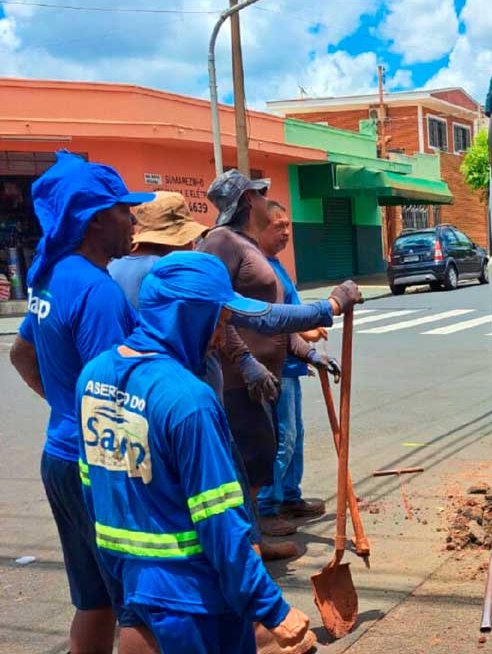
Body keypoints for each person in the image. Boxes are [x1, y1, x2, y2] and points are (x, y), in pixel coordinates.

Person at [76, 252, 315, 654]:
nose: (223, 335)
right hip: (196, 604)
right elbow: (220, 519)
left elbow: (94, 490)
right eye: (220, 320)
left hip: (134, 588)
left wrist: (121, 583)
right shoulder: (189, 401)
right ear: (188, 317)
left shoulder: (94, 377)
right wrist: (272, 609)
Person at [8, 151, 154, 654]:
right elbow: (117, 394)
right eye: (122, 210)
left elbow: (21, 353)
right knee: (140, 600)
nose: (131, 218)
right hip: (101, 466)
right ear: (94, 221)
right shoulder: (97, 291)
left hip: (61, 456)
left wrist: (65, 409)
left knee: (94, 600)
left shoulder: (53, 276)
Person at [198, 170, 344, 542]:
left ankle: (255, 540)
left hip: (264, 378)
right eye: (262, 195)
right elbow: (218, 310)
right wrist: (245, 362)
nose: (267, 201)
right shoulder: (222, 243)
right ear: (248, 201)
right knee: (248, 462)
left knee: (262, 455)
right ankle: (251, 541)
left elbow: (275, 319)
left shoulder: (247, 246)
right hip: (236, 380)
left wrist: (309, 354)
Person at [257, 200, 326, 531]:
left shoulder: (277, 265)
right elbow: (276, 320)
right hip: (275, 365)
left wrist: (309, 347)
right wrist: (307, 332)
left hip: (292, 363)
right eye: (277, 226)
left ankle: (289, 496)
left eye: (288, 225)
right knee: (281, 438)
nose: (285, 231)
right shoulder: (261, 270)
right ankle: (266, 507)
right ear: (259, 229)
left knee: (295, 435)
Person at [108, 191, 209, 307]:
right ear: (174, 241)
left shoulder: (112, 267)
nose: (191, 244)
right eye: (188, 238)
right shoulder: (171, 271)